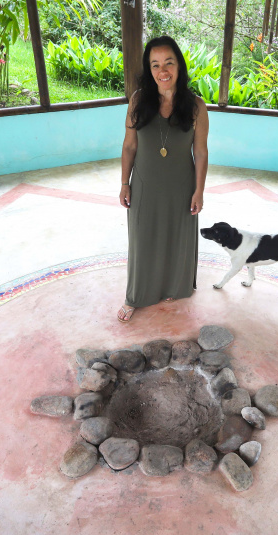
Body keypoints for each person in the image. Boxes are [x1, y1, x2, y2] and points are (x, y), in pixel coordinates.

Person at [117, 36, 209, 323]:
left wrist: (199, 191)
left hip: (181, 187)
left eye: (168, 62)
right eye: (155, 64)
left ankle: (173, 286)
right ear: (149, 69)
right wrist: (124, 182)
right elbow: (129, 145)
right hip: (144, 185)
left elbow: (201, 152)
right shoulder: (138, 101)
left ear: (179, 65)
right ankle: (136, 295)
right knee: (142, 240)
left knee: (176, 238)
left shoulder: (196, 106)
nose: (163, 70)